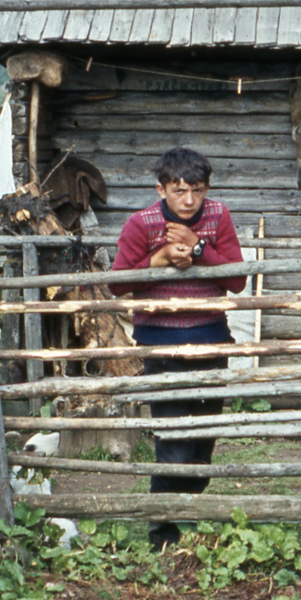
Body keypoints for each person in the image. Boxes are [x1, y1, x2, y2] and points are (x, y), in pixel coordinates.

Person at [110, 147, 246, 548]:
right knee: (173, 439)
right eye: (179, 190)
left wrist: (199, 248)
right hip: (161, 344)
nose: (189, 201)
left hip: (210, 338)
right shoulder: (141, 224)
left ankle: (185, 514)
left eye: (197, 191)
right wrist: (159, 260)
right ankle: (161, 532)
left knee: (203, 444)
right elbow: (116, 284)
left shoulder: (218, 216)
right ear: (161, 188)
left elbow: (237, 279)